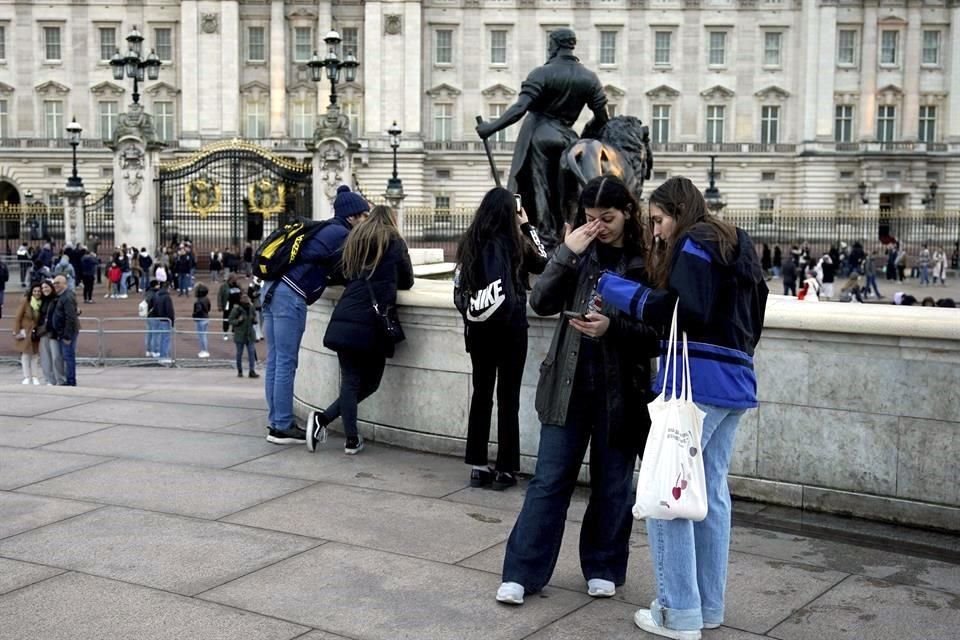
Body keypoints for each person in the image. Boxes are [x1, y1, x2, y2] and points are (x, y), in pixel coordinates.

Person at [596, 176, 767, 639]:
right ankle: (708, 607)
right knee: (711, 495)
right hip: (735, 381)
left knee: (665, 494)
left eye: (658, 220)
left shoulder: (693, 241)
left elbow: (684, 312)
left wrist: (619, 292)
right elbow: (755, 313)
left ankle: (679, 612)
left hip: (696, 384)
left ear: (678, 211)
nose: (655, 231)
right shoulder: (736, 242)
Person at [495, 175, 658, 605]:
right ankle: (521, 573)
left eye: (608, 218)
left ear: (628, 213)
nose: (598, 226)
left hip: (622, 391)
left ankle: (603, 565)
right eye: (590, 217)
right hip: (566, 385)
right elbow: (541, 302)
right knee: (548, 482)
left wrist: (611, 328)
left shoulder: (645, 260)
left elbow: (656, 334)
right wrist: (567, 253)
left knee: (613, 485)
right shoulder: (578, 252)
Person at [475, 28, 608, 247]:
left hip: (540, 135)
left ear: (554, 46)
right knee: (564, 194)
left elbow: (520, 109)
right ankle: (566, 234)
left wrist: (490, 128)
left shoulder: (541, 73)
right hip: (569, 139)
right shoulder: (590, 78)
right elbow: (603, 118)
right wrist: (586, 137)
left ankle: (545, 237)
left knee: (541, 189)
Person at [454, 187, 548, 489]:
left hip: (479, 329)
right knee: (509, 399)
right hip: (511, 327)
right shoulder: (515, 243)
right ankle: (505, 469)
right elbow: (544, 261)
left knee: (481, 395)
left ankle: (478, 466)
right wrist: (527, 226)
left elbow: (460, 287)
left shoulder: (469, 242)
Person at [263, 184, 365, 445]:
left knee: (275, 360)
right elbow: (348, 269)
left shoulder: (325, 229)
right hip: (289, 295)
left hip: (271, 288)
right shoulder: (342, 234)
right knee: (286, 362)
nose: (366, 220)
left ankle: (276, 421)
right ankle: (282, 426)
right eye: (364, 215)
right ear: (352, 216)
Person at [308, 204, 414, 455]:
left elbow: (339, 273)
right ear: (391, 220)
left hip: (346, 314)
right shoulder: (394, 241)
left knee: (351, 381)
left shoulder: (355, 238)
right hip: (374, 322)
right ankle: (347, 436)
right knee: (370, 383)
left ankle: (328, 424)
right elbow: (407, 280)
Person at [50, 275, 80, 386]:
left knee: (68, 356)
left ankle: (71, 381)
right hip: (62, 331)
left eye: (58, 283)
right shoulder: (61, 296)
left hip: (67, 333)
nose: (55, 285)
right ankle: (69, 379)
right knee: (66, 356)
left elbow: (70, 317)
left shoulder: (67, 297)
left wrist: (67, 336)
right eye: (54, 283)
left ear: (65, 284)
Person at [13, 284, 43, 385]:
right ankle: (26, 377)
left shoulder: (42, 303)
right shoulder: (25, 301)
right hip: (26, 331)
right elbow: (18, 317)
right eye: (35, 291)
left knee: (35, 354)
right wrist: (16, 331)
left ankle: (35, 376)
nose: (37, 293)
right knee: (25, 354)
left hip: (36, 332)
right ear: (31, 292)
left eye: (39, 291)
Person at [35, 280, 59, 385]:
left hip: (54, 332)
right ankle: (49, 379)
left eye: (46, 287)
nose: (44, 289)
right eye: (43, 288)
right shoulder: (41, 301)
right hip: (43, 331)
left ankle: (58, 378)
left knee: (56, 356)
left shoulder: (57, 299)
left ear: (51, 287)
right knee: (45, 357)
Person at [149, 278, 175, 364]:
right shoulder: (167, 297)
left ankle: (161, 355)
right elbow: (170, 311)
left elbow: (155, 307)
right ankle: (164, 356)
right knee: (166, 339)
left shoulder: (157, 295)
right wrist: (172, 322)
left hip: (159, 319)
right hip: (166, 320)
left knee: (162, 338)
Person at [193, 282, 211, 358]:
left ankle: (204, 350)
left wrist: (194, 315)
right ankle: (204, 350)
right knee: (204, 335)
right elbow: (209, 308)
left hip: (200, 319)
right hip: (206, 318)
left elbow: (198, 310)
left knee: (201, 336)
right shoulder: (207, 298)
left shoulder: (198, 301)